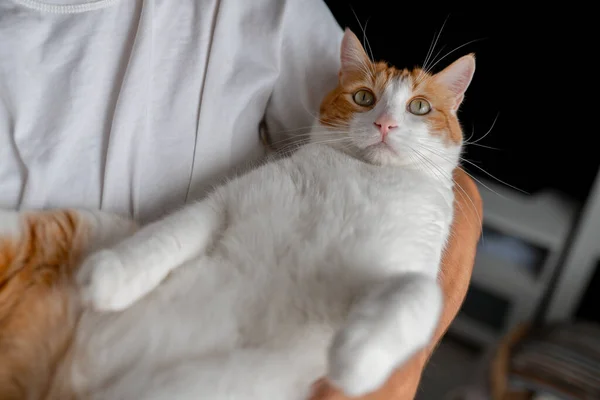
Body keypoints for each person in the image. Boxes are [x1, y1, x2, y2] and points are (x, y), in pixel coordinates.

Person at [0, 0, 482, 398]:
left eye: (417, 108)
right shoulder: (314, 158)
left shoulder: (262, 10)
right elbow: (220, 211)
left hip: (237, 341)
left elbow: (459, 192)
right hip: (74, 310)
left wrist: (395, 356)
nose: (386, 121)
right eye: (368, 102)